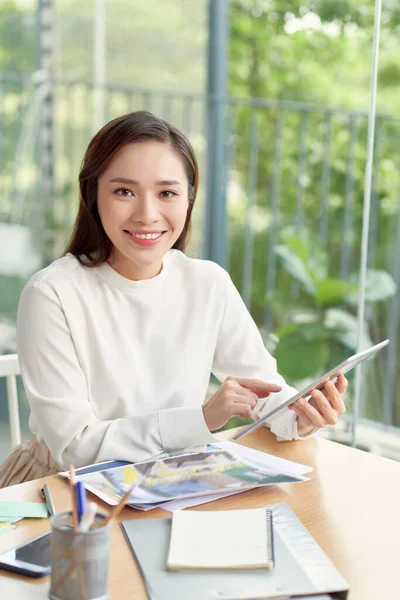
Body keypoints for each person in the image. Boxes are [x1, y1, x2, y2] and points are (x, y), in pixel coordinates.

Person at [0, 111, 347, 487]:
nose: (147, 215)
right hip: (64, 490)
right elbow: (75, 446)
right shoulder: (52, 294)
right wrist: (201, 419)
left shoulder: (208, 283)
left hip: (168, 481)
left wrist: (300, 416)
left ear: (188, 199)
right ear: (93, 196)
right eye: (124, 191)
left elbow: (263, 388)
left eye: (167, 193)